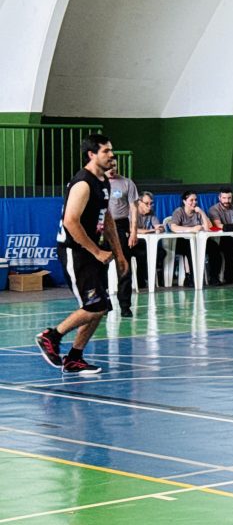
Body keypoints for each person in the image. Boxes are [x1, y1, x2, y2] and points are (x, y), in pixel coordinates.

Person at [35, 134, 128, 375]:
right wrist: (96, 251)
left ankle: (74, 358)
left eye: (111, 151)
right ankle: (51, 336)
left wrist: (119, 253)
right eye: (106, 151)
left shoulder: (103, 182)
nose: (112, 156)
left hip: (93, 252)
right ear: (91, 154)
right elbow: (70, 222)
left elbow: (106, 218)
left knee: (101, 305)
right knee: (95, 305)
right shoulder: (83, 183)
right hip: (76, 252)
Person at [105, 159, 139, 316]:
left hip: (120, 226)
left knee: (123, 265)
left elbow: (134, 208)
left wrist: (133, 232)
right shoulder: (96, 183)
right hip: (101, 227)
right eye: (109, 166)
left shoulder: (127, 183)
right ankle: (104, 302)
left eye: (114, 166)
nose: (112, 169)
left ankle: (125, 305)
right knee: (99, 265)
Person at [170, 191, 220, 286]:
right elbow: (173, 227)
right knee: (190, 248)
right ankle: (190, 278)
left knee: (214, 247)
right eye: (191, 200)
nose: (194, 202)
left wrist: (201, 212)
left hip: (199, 241)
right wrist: (191, 229)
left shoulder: (198, 212)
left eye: (196, 200)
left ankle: (214, 277)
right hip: (183, 242)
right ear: (184, 201)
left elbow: (208, 227)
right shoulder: (179, 211)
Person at [208, 187, 233, 285]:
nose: (227, 201)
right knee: (228, 245)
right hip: (218, 239)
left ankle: (229, 271)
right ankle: (227, 274)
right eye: (224, 198)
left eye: (229, 198)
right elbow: (219, 225)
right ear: (219, 198)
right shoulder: (214, 209)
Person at [133, 192, 166, 287]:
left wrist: (160, 229)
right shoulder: (133, 212)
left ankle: (154, 275)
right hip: (133, 243)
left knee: (161, 252)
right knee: (142, 254)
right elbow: (133, 229)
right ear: (139, 202)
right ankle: (141, 282)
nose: (149, 206)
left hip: (146, 243)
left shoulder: (151, 213)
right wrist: (152, 230)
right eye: (147, 203)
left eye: (151, 203)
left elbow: (158, 226)